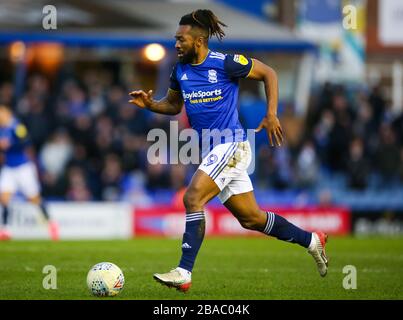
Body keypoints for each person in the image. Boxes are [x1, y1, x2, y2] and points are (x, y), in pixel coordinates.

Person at [129, 9, 328, 292]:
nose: (176, 44)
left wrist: (271, 114)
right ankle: (312, 241)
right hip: (212, 150)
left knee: (192, 197)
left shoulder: (226, 63)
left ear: (198, 41)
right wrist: (151, 104)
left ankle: (184, 271)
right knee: (251, 218)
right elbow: (173, 105)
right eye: (175, 39)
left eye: (181, 39)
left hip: (232, 145)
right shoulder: (179, 71)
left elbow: (268, 73)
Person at [0, 104, 59, 241]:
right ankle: (5, 230)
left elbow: (26, 142)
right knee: (4, 198)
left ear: (7, 113)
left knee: (34, 199)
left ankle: (51, 224)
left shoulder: (16, 127)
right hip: (9, 168)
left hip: (22, 168)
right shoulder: (2, 129)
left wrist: (11, 144)